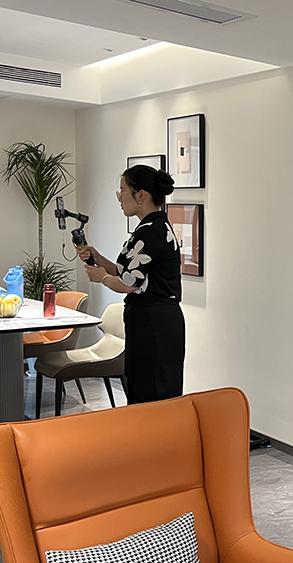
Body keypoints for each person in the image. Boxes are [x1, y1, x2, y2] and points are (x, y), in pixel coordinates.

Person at [78, 165, 184, 404]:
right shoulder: (152, 227)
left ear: (141, 195)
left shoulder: (150, 231)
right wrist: (99, 259)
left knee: (152, 393)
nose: (119, 198)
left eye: (122, 191)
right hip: (154, 321)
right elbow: (128, 272)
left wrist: (101, 277)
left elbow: (128, 283)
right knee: (148, 388)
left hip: (154, 323)